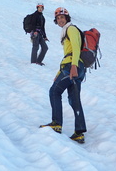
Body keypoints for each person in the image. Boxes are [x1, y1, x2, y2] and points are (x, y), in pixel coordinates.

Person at [40, 7, 87, 143]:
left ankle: (56, 123)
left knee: (54, 91)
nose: (60, 20)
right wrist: (59, 73)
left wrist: (73, 66)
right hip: (76, 67)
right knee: (74, 99)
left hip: (73, 66)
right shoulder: (66, 30)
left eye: (62, 17)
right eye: (58, 18)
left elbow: (76, 48)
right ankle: (79, 133)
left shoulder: (71, 29)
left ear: (67, 18)